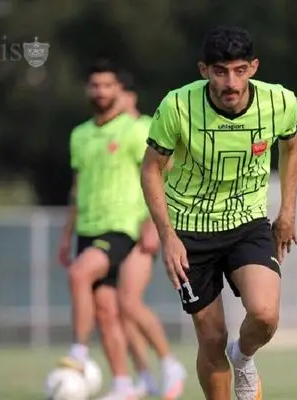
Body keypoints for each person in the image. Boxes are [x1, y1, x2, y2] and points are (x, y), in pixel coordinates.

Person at [140, 26, 297, 400]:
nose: (231, 82)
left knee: (265, 314)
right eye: (220, 71)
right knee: (212, 337)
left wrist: (287, 211)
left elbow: (292, 147)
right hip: (189, 231)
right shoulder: (177, 106)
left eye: (239, 70)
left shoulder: (280, 102)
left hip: (247, 222)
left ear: (253, 67)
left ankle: (243, 357)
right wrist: (167, 236)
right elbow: (150, 169)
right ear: (204, 70)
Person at [57, 60, 184, 400]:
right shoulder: (80, 135)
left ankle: (80, 351)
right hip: (88, 228)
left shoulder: (137, 129)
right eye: (95, 85)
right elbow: (77, 188)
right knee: (107, 310)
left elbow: (165, 174)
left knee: (86, 278)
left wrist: (153, 224)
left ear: (120, 90)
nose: (101, 91)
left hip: (123, 228)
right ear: (87, 89)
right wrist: (67, 234)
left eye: (108, 85)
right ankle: (126, 383)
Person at [115, 71, 186, 398]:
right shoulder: (109, 133)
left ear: (129, 95)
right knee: (118, 307)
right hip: (113, 229)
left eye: (114, 91)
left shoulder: (146, 127)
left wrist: (153, 223)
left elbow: (166, 174)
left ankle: (169, 363)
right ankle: (143, 375)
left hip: (139, 230)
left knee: (128, 301)